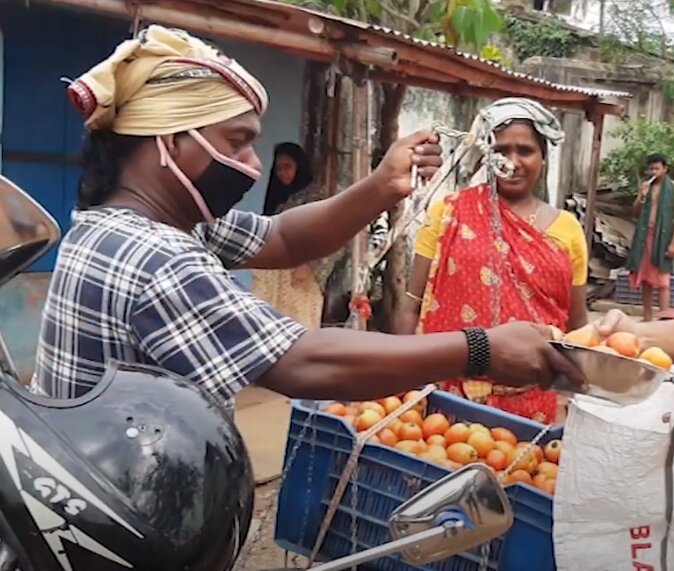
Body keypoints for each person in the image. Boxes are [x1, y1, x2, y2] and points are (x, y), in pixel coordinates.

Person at [31, 26, 583, 416]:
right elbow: (302, 362)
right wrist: (480, 349)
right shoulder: (155, 256)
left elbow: (283, 237)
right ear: (169, 142)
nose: (253, 165)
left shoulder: (146, 223)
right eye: (237, 142)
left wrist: (381, 185)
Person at [396, 98, 588, 424]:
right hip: (445, 400)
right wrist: (402, 381)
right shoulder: (449, 212)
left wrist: (575, 396)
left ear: (543, 157)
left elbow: (577, 327)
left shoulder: (567, 230)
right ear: (487, 155)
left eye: (525, 151)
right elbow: (411, 305)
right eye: (501, 150)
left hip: (531, 406)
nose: (512, 162)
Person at [252, 142, 338, 327]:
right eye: (279, 169)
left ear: (299, 166)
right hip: (272, 276)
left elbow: (334, 236)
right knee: (267, 327)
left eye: (288, 167)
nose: (283, 173)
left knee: (299, 328)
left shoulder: (316, 197)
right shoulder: (276, 198)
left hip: (301, 276)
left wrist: (312, 266)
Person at [627, 153, 674, 322]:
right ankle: (647, 317)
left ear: (665, 169)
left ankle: (664, 318)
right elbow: (635, 212)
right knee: (645, 276)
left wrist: (672, 244)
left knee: (663, 279)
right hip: (645, 236)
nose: (654, 172)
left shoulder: (672, 189)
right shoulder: (647, 187)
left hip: (663, 238)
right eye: (651, 169)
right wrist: (642, 196)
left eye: (657, 168)